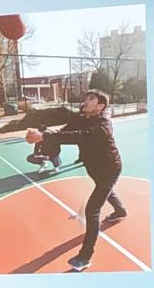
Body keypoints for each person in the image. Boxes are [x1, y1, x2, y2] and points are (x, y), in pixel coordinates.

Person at [26, 89, 127, 271]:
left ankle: (85, 256)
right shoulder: (82, 117)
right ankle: (120, 211)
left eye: (91, 99)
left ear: (100, 106)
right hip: (94, 168)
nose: (86, 101)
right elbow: (64, 131)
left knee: (92, 209)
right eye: (86, 98)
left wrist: (44, 136)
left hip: (109, 169)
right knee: (106, 189)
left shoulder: (103, 125)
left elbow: (79, 136)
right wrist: (43, 133)